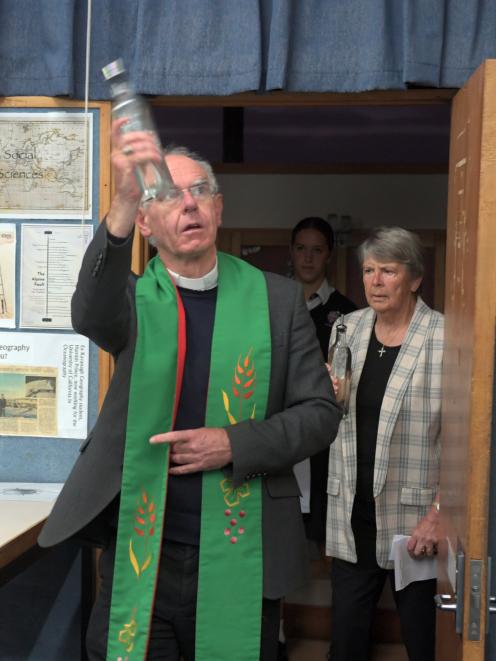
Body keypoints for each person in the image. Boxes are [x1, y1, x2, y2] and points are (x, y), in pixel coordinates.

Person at [38, 120, 341, 661]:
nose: (189, 206)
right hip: (142, 550)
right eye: (167, 196)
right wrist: (121, 205)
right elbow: (87, 311)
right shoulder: (130, 302)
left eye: (200, 191)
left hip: (241, 552)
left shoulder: (278, 299)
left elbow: (320, 413)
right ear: (148, 224)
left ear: (219, 209)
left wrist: (234, 444)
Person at [326, 226, 443, 661]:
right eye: (368, 270)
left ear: (415, 279)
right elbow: (333, 409)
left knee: (424, 642)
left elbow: (464, 443)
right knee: (346, 643)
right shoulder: (347, 328)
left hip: (415, 525)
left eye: (388, 271)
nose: (374, 281)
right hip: (351, 516)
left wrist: (439, 513)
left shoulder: (444, 337)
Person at [290, 217, 356, 543]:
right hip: (280, 424)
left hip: (325, 433)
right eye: (301, 249)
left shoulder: (347, 313)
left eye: (316, 250)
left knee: (321, 527)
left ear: (329, 254)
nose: (307, 258)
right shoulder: (273, 304)